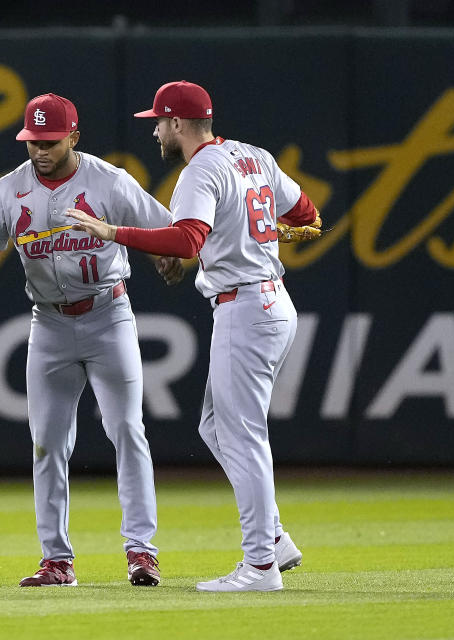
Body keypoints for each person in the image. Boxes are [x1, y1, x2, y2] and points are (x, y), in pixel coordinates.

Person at [67, 81, 317, 592]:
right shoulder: (253, 156)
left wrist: (113, 232)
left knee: (243, 435)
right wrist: (261, 233)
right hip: (271, 300)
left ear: (178, 124)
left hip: (244, 306)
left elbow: (185, 240)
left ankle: (260, 568)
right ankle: (272, 539)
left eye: (158, 122)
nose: (156, 130)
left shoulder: (200, 169)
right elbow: (307, 214)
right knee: (215, 426)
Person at [0, 93, 184, 587]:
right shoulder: (11, 189)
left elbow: (173, 229)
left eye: (50, 141)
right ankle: (57, 560)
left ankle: (141, 552)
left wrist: (170, 256)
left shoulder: (108, 181)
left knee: (127, 431)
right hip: (48, 324)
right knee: (47, 444)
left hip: (107, 314)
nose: (39, 151)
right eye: (32, 141)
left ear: (73, 136)